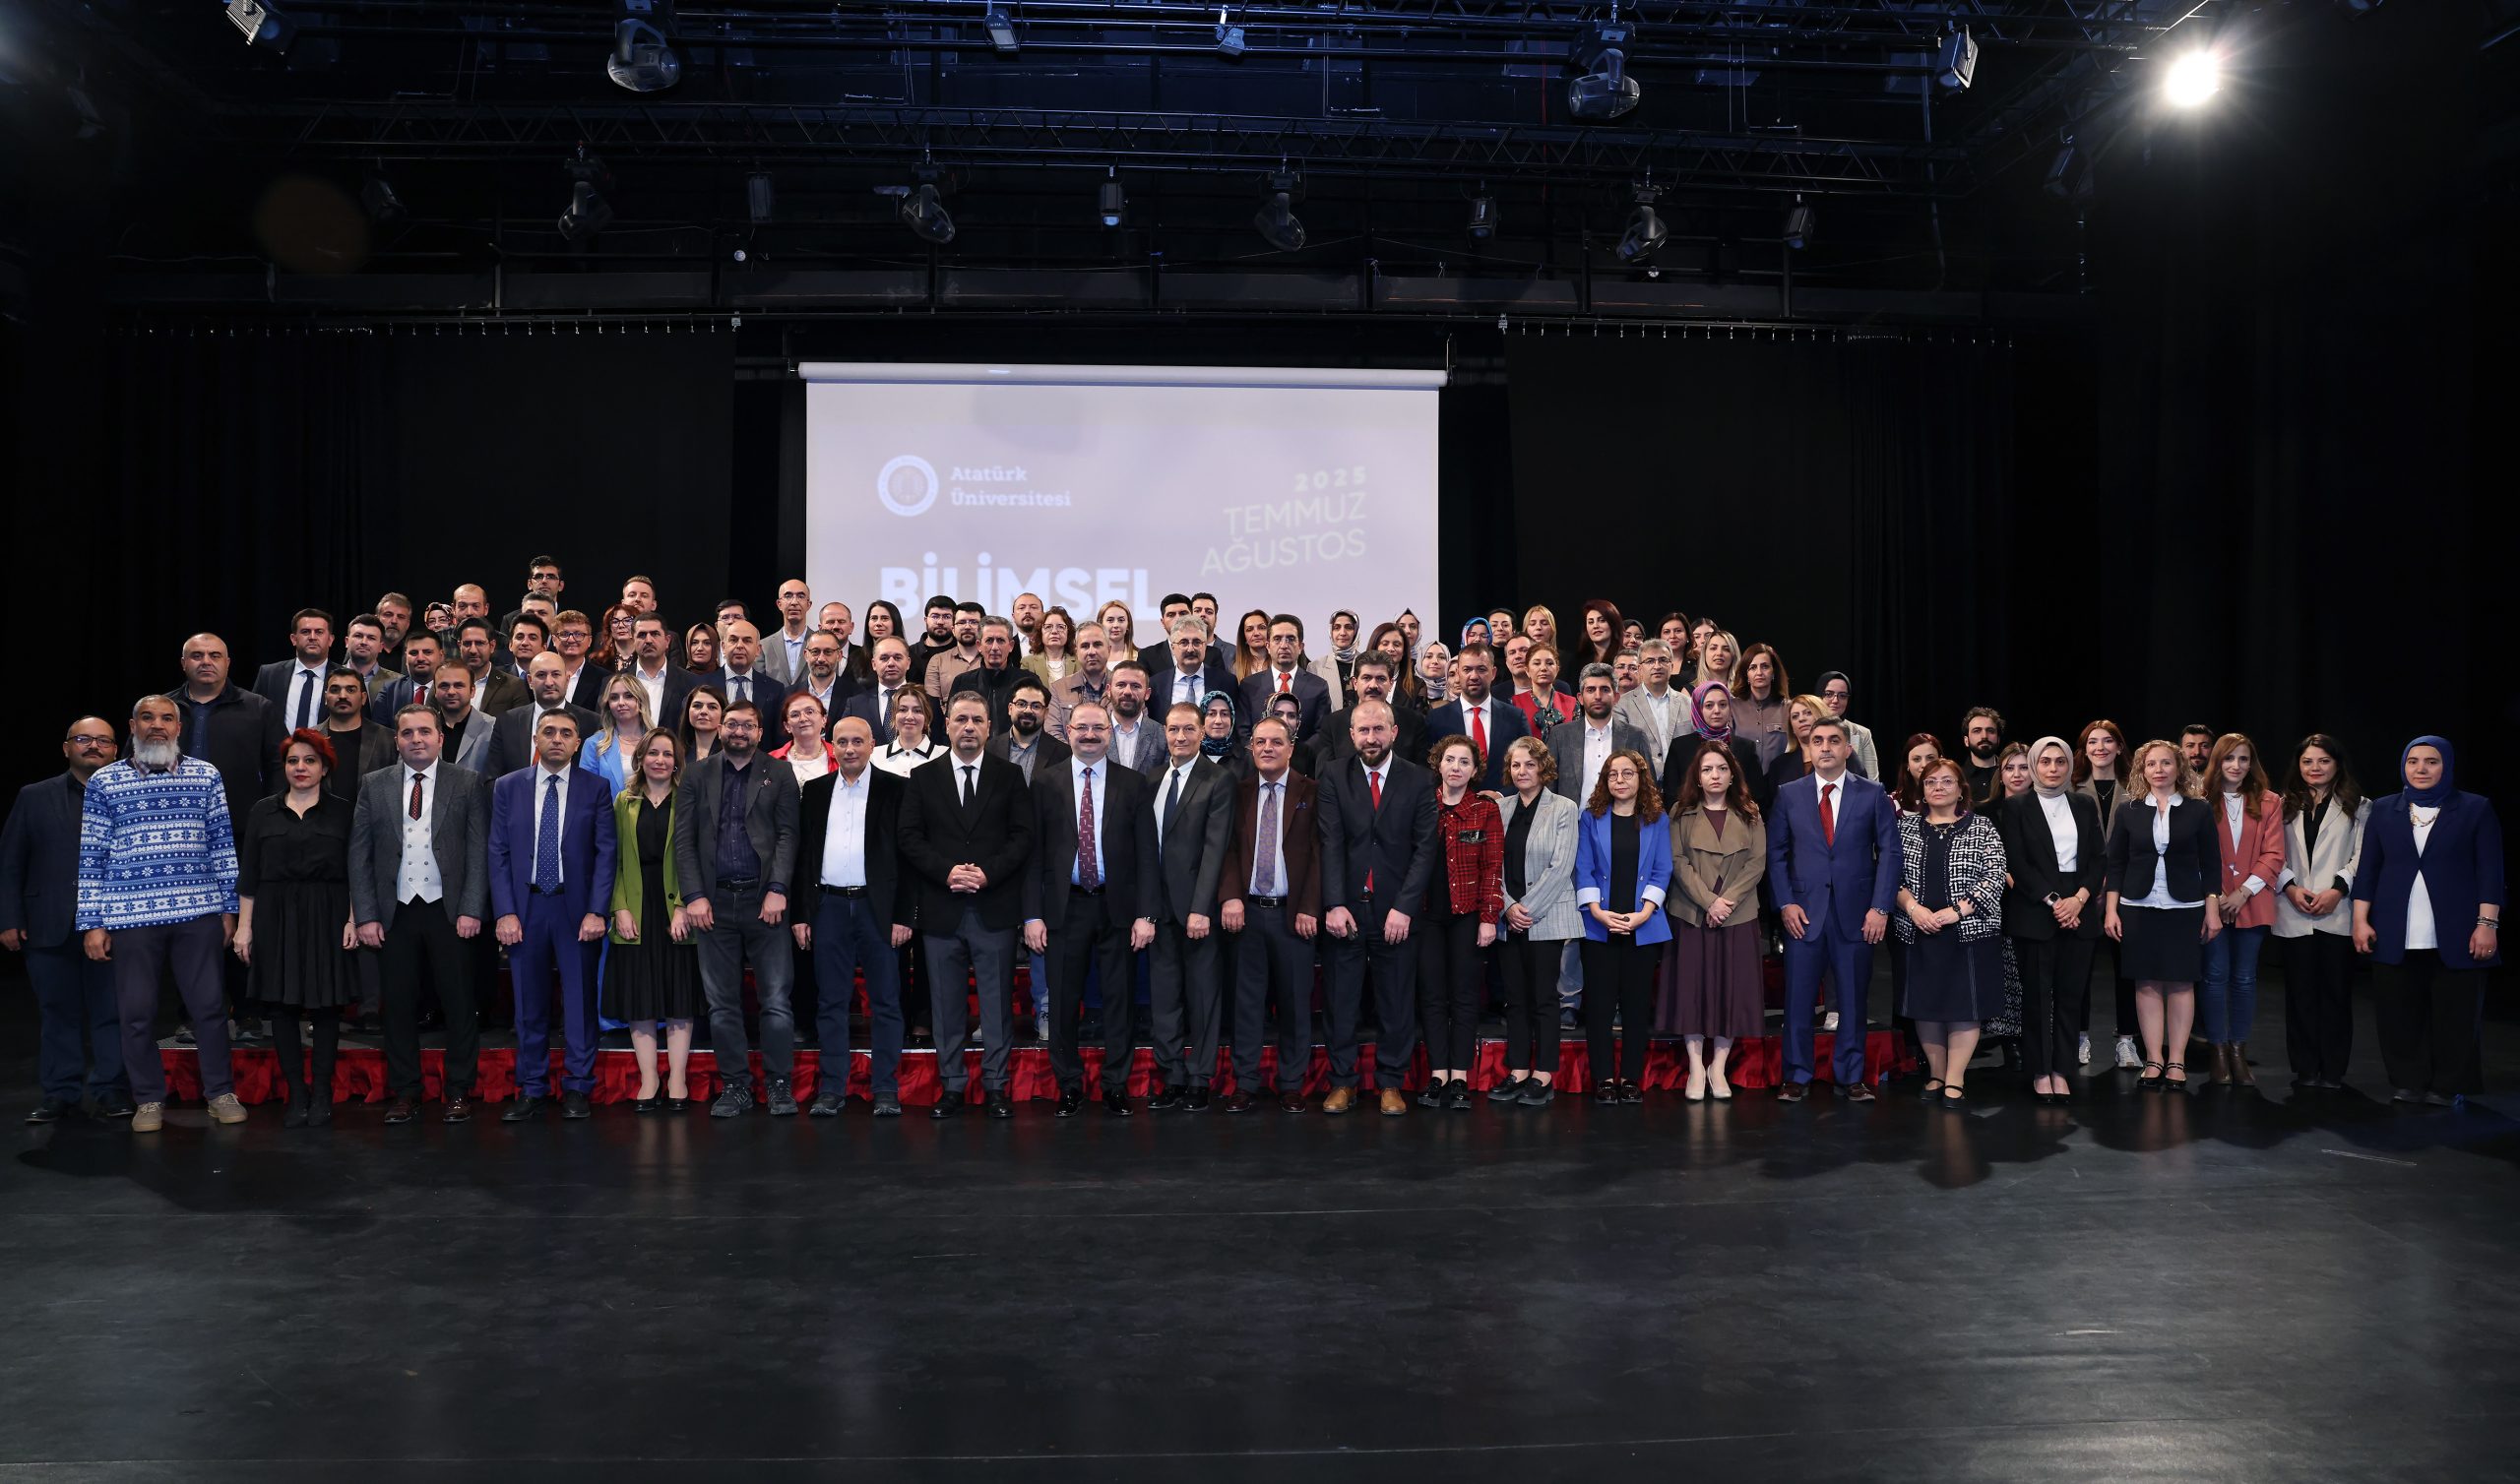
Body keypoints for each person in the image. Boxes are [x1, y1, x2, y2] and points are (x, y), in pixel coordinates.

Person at [80, 695, 248, 1133]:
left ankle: (220, 1092)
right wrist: (92, 922)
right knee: (136, 1013)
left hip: (198, 911)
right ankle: (148, 1099)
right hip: (130, 915)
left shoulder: (206, 775)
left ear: (179, 727)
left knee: (209, 1009)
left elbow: (222, 845)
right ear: (132, 726)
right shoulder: (105, 781)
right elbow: (92, 855)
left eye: (167, 718)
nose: (157, 724)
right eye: (148, 717)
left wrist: (229, 909)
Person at [898, 693, 1036, 1119]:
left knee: (997, 1005)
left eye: (977, 719)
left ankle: (996, 1086)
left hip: (994, 906)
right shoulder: (923, 776)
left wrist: (987, 873)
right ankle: (952, 1085)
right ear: (947, 725)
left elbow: (1022, 836)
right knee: (945, 1005)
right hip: (942, 907)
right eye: (961, 719)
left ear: (990, 727)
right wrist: (947, 872)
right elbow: (909, 837)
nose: (969, 727)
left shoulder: (1009, 775)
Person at [350, 703, 489, 1125]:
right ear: (396, 740)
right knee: (398, 1005)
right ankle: (406, 1092)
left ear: (440, 738)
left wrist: (471, 908)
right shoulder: (374, 784)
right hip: (395, 910)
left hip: (449, 911)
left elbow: (478, 852)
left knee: (459, 1003)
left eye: (425, 732)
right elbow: (359, 855)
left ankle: (459, 1090)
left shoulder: (467, 782)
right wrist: (365, 915)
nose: (417, 739)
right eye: (407, 733)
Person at [1022, 701, 1158, 1116]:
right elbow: (1033, 855)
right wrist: (1032, 914)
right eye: (1081, 727)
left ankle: (1116, 1084)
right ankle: (1068, 1085)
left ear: (1109, 733)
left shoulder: (1133, 784)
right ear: (1068, 731)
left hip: (1118, 908)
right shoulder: (1044, 784)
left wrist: (1146, 914)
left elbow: (1146, 855)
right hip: (1065, 908)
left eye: (1098, 727)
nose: (1090, 735)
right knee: (1063, 1002)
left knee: (1120, 1001)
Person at [2352, 737, 2504, 1106]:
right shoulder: (2384, 809)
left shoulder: (2475, 808)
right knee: (2398, 1011)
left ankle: (2447, 1085)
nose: (2421, 768)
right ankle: (2408, 1081)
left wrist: (2487, 924)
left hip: (2457, 930)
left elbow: (2491, 871)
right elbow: (2368, 869)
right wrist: (2360, 920)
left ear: (2446, 765)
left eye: (2431, 761)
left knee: (2456, 1013)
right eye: (2413, 761)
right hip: (2395, 929)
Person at [487, 709, 617, 1122]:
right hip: (526, 908)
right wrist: (505, 912)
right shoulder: (508, 786)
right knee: (528, 1004)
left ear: (578, 743)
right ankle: (532, 1087)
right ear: (536, 740)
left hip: (575, 910)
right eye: (549, 731)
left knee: (579, 1002)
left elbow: (606, 853)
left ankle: (578, 1086)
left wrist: (597, 910)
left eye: (566, 733)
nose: (557, 739)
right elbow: (498, 852)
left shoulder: (596, 788)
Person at [2, 717, 134, 1122]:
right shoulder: (33, 796)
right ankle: (60, 1093)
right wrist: (9, 917)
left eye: (103, 741)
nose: (93, 746)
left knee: (112, 1011)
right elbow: (11, 860)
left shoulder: (130, 795)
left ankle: (112, 1090)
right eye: (83, 739)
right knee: (57, 1012)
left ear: (116, 750)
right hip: (47, 921)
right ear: (66, 748)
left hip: (113, 924)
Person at [672, 700, 800, 1118]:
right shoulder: (697, 773)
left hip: (766, 903)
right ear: (721, 729)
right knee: (722, 1003)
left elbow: (787, 835)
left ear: (760, 732)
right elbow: (684, 840)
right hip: (713, 905)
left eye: (748, 725)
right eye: (732, 724)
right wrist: (693, 896)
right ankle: (736, 1085)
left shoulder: (779, 772)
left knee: (776, 1001)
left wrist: (778, 888)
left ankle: (779, 1084)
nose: (738, 731)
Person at [1316, 699, 1439, 1116]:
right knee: (1341, 1001)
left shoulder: (1419, 779)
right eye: (1363, 731)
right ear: (1351, 734)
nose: (1371, 738)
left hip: (1396, 913)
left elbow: (1425, 849)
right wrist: (1334, 903)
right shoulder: (1334, 775)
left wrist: (1404, 907)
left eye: (1378, 729)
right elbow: (1330, 842)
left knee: (1396, 1002)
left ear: (1394, 732)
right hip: (1347, 911)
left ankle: (1390, 1083)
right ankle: (1343, 1081)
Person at [1766, 718, 1900, 1101]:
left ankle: (1851, 1076)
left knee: (1853, 1000)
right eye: (1818, 740)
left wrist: (1880, 907)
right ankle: (1797, 1075)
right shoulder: (1789, 794)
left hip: (1857, 915)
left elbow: (1890, 852)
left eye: (1834, 740)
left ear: (1848, 749)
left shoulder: (1872, 793)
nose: (1825, 747)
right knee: (1798, 1000)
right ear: (1808, 748)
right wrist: (1785, 903)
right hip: (1803, 914)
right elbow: (1776, 854)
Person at [234, 729, 360, 1127]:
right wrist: (244, 927)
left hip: (328, 912)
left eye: (309, 761)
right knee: (281, 1005)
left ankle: (321, 1092)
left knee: (326, 1006)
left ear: (324, 769)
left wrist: (353, 918)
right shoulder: (263, 811)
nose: (300, 768)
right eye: (293, 761)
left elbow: (356, 871)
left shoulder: (344, 811)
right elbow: (249, 874)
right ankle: (297, 1093)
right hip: (274, 914)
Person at [792, 716, 914, 1117]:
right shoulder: (815, 790)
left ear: (872, 744)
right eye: (842, 742)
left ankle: (885, 1088)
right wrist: (802, 914)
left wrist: (904, 915)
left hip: (878, 910)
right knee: (830, 1002)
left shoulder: (896, 788)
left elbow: (908, 858)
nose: (849, 749)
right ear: (832, 745)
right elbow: (804, 857)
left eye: (857, 741)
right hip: (828, 907)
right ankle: (832, 1089)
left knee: (886, 1001)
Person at [2104, 739, 2223, 1091]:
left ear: (2178, 767)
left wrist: (2212, 910)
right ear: (2142, 770)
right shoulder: (2129, 810)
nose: (2159, 770)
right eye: (2151, 764)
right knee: (2147, 982)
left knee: (2182, 982)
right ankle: (2154, 1058)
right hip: (2137, 907)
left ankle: (2177, 1060)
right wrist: (2111, 909)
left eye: (2166, 763)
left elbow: (2211, 864)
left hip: (2184, 908)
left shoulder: (2198, 809)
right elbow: (2116, 864)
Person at [1218, 716, 1322, 1113]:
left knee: (1294, 1002)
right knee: (1246, 1004)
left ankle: (1291, 1083)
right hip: (1247, 914)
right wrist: (1230, 897)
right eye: (1259, 741)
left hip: (1293, 917)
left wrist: (1309, 907)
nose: (1267, 748)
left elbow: (1320, 854)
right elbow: (1227, 849)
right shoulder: (1239, 791)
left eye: (1276, 742)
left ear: (1291, 748)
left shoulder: (1312, 791)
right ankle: (1245, 1082)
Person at [1892, 758, 2006, 1108]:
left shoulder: (1982, 827)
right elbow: (1891, 877)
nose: (1938, 787)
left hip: (1969, 933)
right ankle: (1937, 1074)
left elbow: (1994, 876)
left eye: (1946, 781)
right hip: (1918, 930)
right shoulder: (1905, 828)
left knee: (1964, 1007)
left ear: (1960, 789)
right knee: (1925, 1007)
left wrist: (1956, 911)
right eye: (1930, 782)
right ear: (1922, 790)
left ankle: (1956, 1077)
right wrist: (1914, 909)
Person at [2000, 737, 2108, 1104]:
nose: (2052, 768)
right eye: (2045, 761)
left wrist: (2078, 900)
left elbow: (2098, 858)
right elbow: (2017, 862)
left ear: (2069, 766)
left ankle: (2062, 1069)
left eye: (2060, 761)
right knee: (2036, 998)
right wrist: (2055, 902)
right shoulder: (2016, 807)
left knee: (2070, 997)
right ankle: (2040, 1069)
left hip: (2079, 908)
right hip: (2036, 911)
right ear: (2034, 766)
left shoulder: (2083, 803)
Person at [1659, 738, 1765, 1101]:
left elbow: (1757, 863)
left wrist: (1726, 903)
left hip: (1737, 914)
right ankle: (1694, 1065)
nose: (1715, 775)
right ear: (1697, 777)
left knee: (1731, 990)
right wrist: (1709, 902)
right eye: (1707, 769)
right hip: (1692, 912)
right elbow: (1677, 862)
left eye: (1721, 768)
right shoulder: (1680, 813)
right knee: (1691, 990)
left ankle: (1717, 1066)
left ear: (1733, 775)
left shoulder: (1750, 813)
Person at [1144, 702, 1237, 1109]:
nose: (1180, 737)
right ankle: (1172, 1076)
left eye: (1188, 729)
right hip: (1159, 909)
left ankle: (1199, 1077)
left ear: (1202, 733)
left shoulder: (1218, 779)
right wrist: (1145, 909)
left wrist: (1201, 908)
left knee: (1202, 998)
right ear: (1164, 732)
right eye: (1173, 729)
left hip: (1198, 911)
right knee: (1164, 998)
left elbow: (1216, 849)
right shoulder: (1152, 779)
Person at [603, 729, 702, 1112]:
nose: (660, 760)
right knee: (639, 995)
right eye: (653, 753)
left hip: (677, 906)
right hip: (635, 906)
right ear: (641, 758)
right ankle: (649, 1078)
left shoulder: (688, 799)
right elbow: (611, 860)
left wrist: (685, 905)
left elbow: (696, 855)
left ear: (677, 762)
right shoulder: (623, 801)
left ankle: (677, 1078)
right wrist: (620, 907)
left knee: (679, 996)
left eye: (667, 754)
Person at [1575, 749, 1670, 1103]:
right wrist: (1597, 912)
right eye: (1613, 774)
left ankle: (1630, 1078)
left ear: (1641, 778)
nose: (1620, 780)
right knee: (1599, 1008)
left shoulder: (1657, 819)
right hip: (1599, 926)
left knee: (1635, 1006)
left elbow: (1662, 869)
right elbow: (1583, 868)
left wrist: (1643, 913)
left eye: (1628, 773)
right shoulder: (1591, 818)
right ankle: (1603, 1079)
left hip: (1641, 925)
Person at [2274, 734, 2368, 1091]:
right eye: (2308, 761)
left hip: (2337, 909)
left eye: (2323, 761)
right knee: (2299, 994)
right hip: (2293, 906)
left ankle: (2332, 1071)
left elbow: (2363, 856)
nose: (2315, 768)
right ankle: (2305, 1068)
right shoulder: (2281, 805)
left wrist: (2338, 889)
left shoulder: (2359, 806)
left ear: (2337, 764)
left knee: (2335, 994)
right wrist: (2290, 886)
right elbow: (2271, 854)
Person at [1414, 736, 1502, 1110]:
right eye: (1450, 759)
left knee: (1465, 996)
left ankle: (1461, 1075)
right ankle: (1438, 1073)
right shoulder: (1422, 804)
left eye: (1464, 762)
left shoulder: (1485, 810)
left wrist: (1489, 917)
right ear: (1439, 763)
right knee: (1432, 996)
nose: (1456, 767)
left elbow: (1493, 868)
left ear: (1474, 770)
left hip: (1467, 915)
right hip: (1426, 917)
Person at [1489, 737, 1580, 1106]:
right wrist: (1508, 908)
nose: (1522, 771)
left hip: (1545, 916)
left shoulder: (1564, 808)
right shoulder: (1500, 809)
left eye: (1530, 764)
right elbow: (1490, 864)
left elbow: (1561, 867)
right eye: (1516, 765)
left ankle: (1543, 1073)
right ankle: (1518, 1070)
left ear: (1543, 767)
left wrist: (1525, 910)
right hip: (1507, 918)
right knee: (1515, 999)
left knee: (1544, 997)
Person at [2199, 733, 2286, 1086]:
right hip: (2211, 903)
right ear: (2217, 762)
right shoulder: (2199, 799)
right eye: (2229, 758)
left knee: (2245, 978)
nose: (2236, 765)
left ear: (2252, 764)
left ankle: (2238, 1049)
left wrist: (2241, 893)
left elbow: (2274, 854)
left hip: (2252, 901)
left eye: (2243, 759)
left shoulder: (2269, 801)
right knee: (2215, 976)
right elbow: (2194, 852)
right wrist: (2218, 895)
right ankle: (2217, 1050)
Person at [2071, 717, 2137, 1071]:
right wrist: (2090, 883)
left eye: (2108, 741)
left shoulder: (2137, 788)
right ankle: (2079, 1037)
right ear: (2083, 750)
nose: (2100, 747)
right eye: (2093, 742)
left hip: (2126, 890)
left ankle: (2126, 1040)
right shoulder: (2070, 787)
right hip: (2082, 890)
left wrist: (2114, 881)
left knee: (2127, 970)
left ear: (2119, 747)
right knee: (2079, 970)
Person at [167, 633, 276, 842]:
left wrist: (270, 816)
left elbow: (278, 765)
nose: (206, 661)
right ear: (183, 663)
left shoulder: (258, 708)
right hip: (171, 825)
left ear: (227, 663)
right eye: (197, 656)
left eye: (215, 655)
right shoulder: (162, 711)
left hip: (239, 828)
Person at [1424, 642, 1530, 792]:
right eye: (1467, 670)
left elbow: (1529, 766)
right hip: (1452, 804)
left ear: (1493, 673)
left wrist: (1501, 796)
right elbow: (1429, 771)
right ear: (1458, 673)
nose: (1474, 676)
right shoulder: (1436, 719)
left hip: (1504, 804)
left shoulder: (1515, 717)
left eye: (1481, 669)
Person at [1545, 661, 1652, 806]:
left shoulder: (1636, 736)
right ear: (1580, 698)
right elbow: (1549, 787)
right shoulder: (1560, 735)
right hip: (1572, 818)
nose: (1597, 696)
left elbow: (1648, 788)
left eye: (1604, 689)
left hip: (1621, 818)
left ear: (1616, 697)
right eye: (1590, 690)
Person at [486, 651, 601, 779]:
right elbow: (492, 778)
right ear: (530, 681)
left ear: (567, 679)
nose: (549, 682)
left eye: (556, 674)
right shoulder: (507, 721)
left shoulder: (593, 723)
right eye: (541, 675)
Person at [1659, 681, 1765, 813]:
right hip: (1689, 821)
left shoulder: (1745, 747)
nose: (1717, 711)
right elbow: (1671, 797)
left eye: (1723, 705)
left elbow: (1757, 796)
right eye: (1709, 705)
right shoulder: (1679, 747)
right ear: (1698, 709)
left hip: (1737, 821)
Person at [1314, 654, 1426, 772]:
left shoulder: (1413, 722)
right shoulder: (1333, 723)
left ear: (1391, 684)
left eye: (1381, 679)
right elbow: (1324, 775)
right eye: (1367, 678)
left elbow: (1421, 774)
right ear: (1355, 683)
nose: (1373, 685)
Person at [1240, 614, 1335, 742]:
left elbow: (1322, 732)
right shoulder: (1249, 686)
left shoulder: (1318, 686)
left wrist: (1293, 752)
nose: (1284, 645)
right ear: (1268, 646)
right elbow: (1243, 732)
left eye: (1291, 639)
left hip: (1304, 754)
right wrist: (1262, 750)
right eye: (1277, 639)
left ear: (1300, 647)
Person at [252, 608, 338, 733]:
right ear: (293, 639)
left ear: (330, 639)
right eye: (305, 632)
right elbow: (254, 717)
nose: (312, 637)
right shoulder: (269, 674)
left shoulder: (345, 676)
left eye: (319, 632)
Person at [317, 666, 395, 801]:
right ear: (325, 697)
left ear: (363, 698)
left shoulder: (388, 739)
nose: (342, 696)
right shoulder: (310, 738)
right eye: (335, 690)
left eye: (351, 690)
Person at [1147, 618, 1236, 724]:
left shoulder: (1227, 682)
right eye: (1183, 643)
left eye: (1197, 642)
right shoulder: (1156, 684)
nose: (1190, 649)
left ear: (1205, 646)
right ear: (1173, 648)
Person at [1613, 639, 1686, 766]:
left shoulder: (1688, 703)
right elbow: (1624, 750)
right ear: (1640, 669)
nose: (1657, 666)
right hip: (1643, 774)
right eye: (1650, 661)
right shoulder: (1622, 705)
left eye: (1663, 660)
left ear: (1672, 666)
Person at [580, 674, 653, 792]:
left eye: (628, 696)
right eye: (614, 698)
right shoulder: (594, 743)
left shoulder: (658, 740)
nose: (621, 702)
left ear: (640, 700)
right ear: (608, 705)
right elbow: (586, 791)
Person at [1044, 623, 1115, 741]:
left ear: (1109, 649)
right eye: (1085, 646)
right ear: (1076, 652)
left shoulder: (1125, 688)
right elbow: (1053, 732)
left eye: (1097, 645)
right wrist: (1077, 752)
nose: (1091, 652)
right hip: (1069, 753)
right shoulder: (1058, 689)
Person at [846, 636, 921, 739]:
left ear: (908, 663)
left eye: (897, 658)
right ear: (874, 664)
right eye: (884, 658)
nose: (891, 663)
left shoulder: (927, 701)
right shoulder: (855, 705)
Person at [713, 620, 788, 723]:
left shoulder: (775, 690)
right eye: (733, 640)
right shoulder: (704, 684)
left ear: (758, 649)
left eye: (747, 641)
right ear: (723, 647)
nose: (740, 645)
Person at [1731, 645, 1792, 767]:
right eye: (1753, 667)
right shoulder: (1732, 707)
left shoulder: (1788, 708)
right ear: (1746, 674)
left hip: (1780, 776)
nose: (1759, 672)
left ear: (1774, 672)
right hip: (1743, 776)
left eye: (1765, 666)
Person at [456, 620, 529, 716]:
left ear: (492, 646)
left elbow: (521, 722)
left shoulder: (514, 686)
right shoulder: (445, 683)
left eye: (479, 643)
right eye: (467, 643)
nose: (473, 650)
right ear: (459, 646)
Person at [923, 600, 987, 703]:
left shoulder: (992, 659)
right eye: (961, 622)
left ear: (984, 628)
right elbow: (932, 704)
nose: (967, 627)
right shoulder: (938, 661)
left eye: (974, 622)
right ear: (953, 629)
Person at [871, 687, 939, 776]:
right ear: (893, 716)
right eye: (903, 710)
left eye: (917, 711)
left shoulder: (944, 755)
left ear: (926, 717)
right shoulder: (874, 756)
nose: (909, 717)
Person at [760, 579, 817, 686]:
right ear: (779, 604)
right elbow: (759, 685)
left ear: (808, 604)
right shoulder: (763, 646)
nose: (794, 602)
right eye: (788, 596)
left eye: (801, 596)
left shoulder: (820, 643)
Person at [769, 693, 832, 783]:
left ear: (824, 719)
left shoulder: (840, 757)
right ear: (787, 726)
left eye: (810, 712)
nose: (803, 719)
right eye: (795, 715)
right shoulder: (770, 760)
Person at [1516, 645, 1575, 730]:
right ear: (1527, 670)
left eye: (1550, 663)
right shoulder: (1514, 703)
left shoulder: (1572, 703)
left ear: (1557, 669)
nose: (1543, 668)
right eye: (1537, 663)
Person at [1958, 708, 2007, 805]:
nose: (1984, 736)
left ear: (1998, 739)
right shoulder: (1957, 777)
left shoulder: (2010, 774)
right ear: (1966, 741)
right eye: (1977, 731)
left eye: (1990, 731)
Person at [1023, 606, 1080, 686]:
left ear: (1068, 632)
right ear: (1040, 632)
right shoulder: (1028, 663)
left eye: (1060, 627)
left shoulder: (1080, 661)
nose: (1054, 631)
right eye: (1048, 627)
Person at [1894, 733, 1942, 814]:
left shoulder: (1953, 796)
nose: (1924, 765)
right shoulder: (1892, 803)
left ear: (1941, 760)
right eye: (1917, 759)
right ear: (1907, 764)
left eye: (1930, 758)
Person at [678, 684, 726, 767]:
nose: (703, 711)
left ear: (723, 714)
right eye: (697, 706)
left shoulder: (732, 753)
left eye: (712, 707)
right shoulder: (675, 752)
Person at [1575, 599, 1623, 671]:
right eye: (1591, 622)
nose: (1595, 626)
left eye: (1602, 620)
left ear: (1613, 623)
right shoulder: (1578, 660)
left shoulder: (1624, 657)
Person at [1324, 609, 1364, 695]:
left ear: (1355, 631)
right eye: (1336, 628)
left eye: (1348, 627)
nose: (1342, 633)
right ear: (1331, 631)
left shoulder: (1368, 663)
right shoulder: (1316, 667)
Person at [1230, 607, 1273, 683]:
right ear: (1244, 637)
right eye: (1249, 629)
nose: (1256, 633)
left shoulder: (1281, 664)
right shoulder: (1235, 669)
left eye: (1262, 628)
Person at [2179, 724, 2216, 795]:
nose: (2197, 752)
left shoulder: (2224, 783)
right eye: (2190, 745)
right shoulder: (2170, 783)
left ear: (2213, 749)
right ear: (2180, 750)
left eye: (2204, 746)